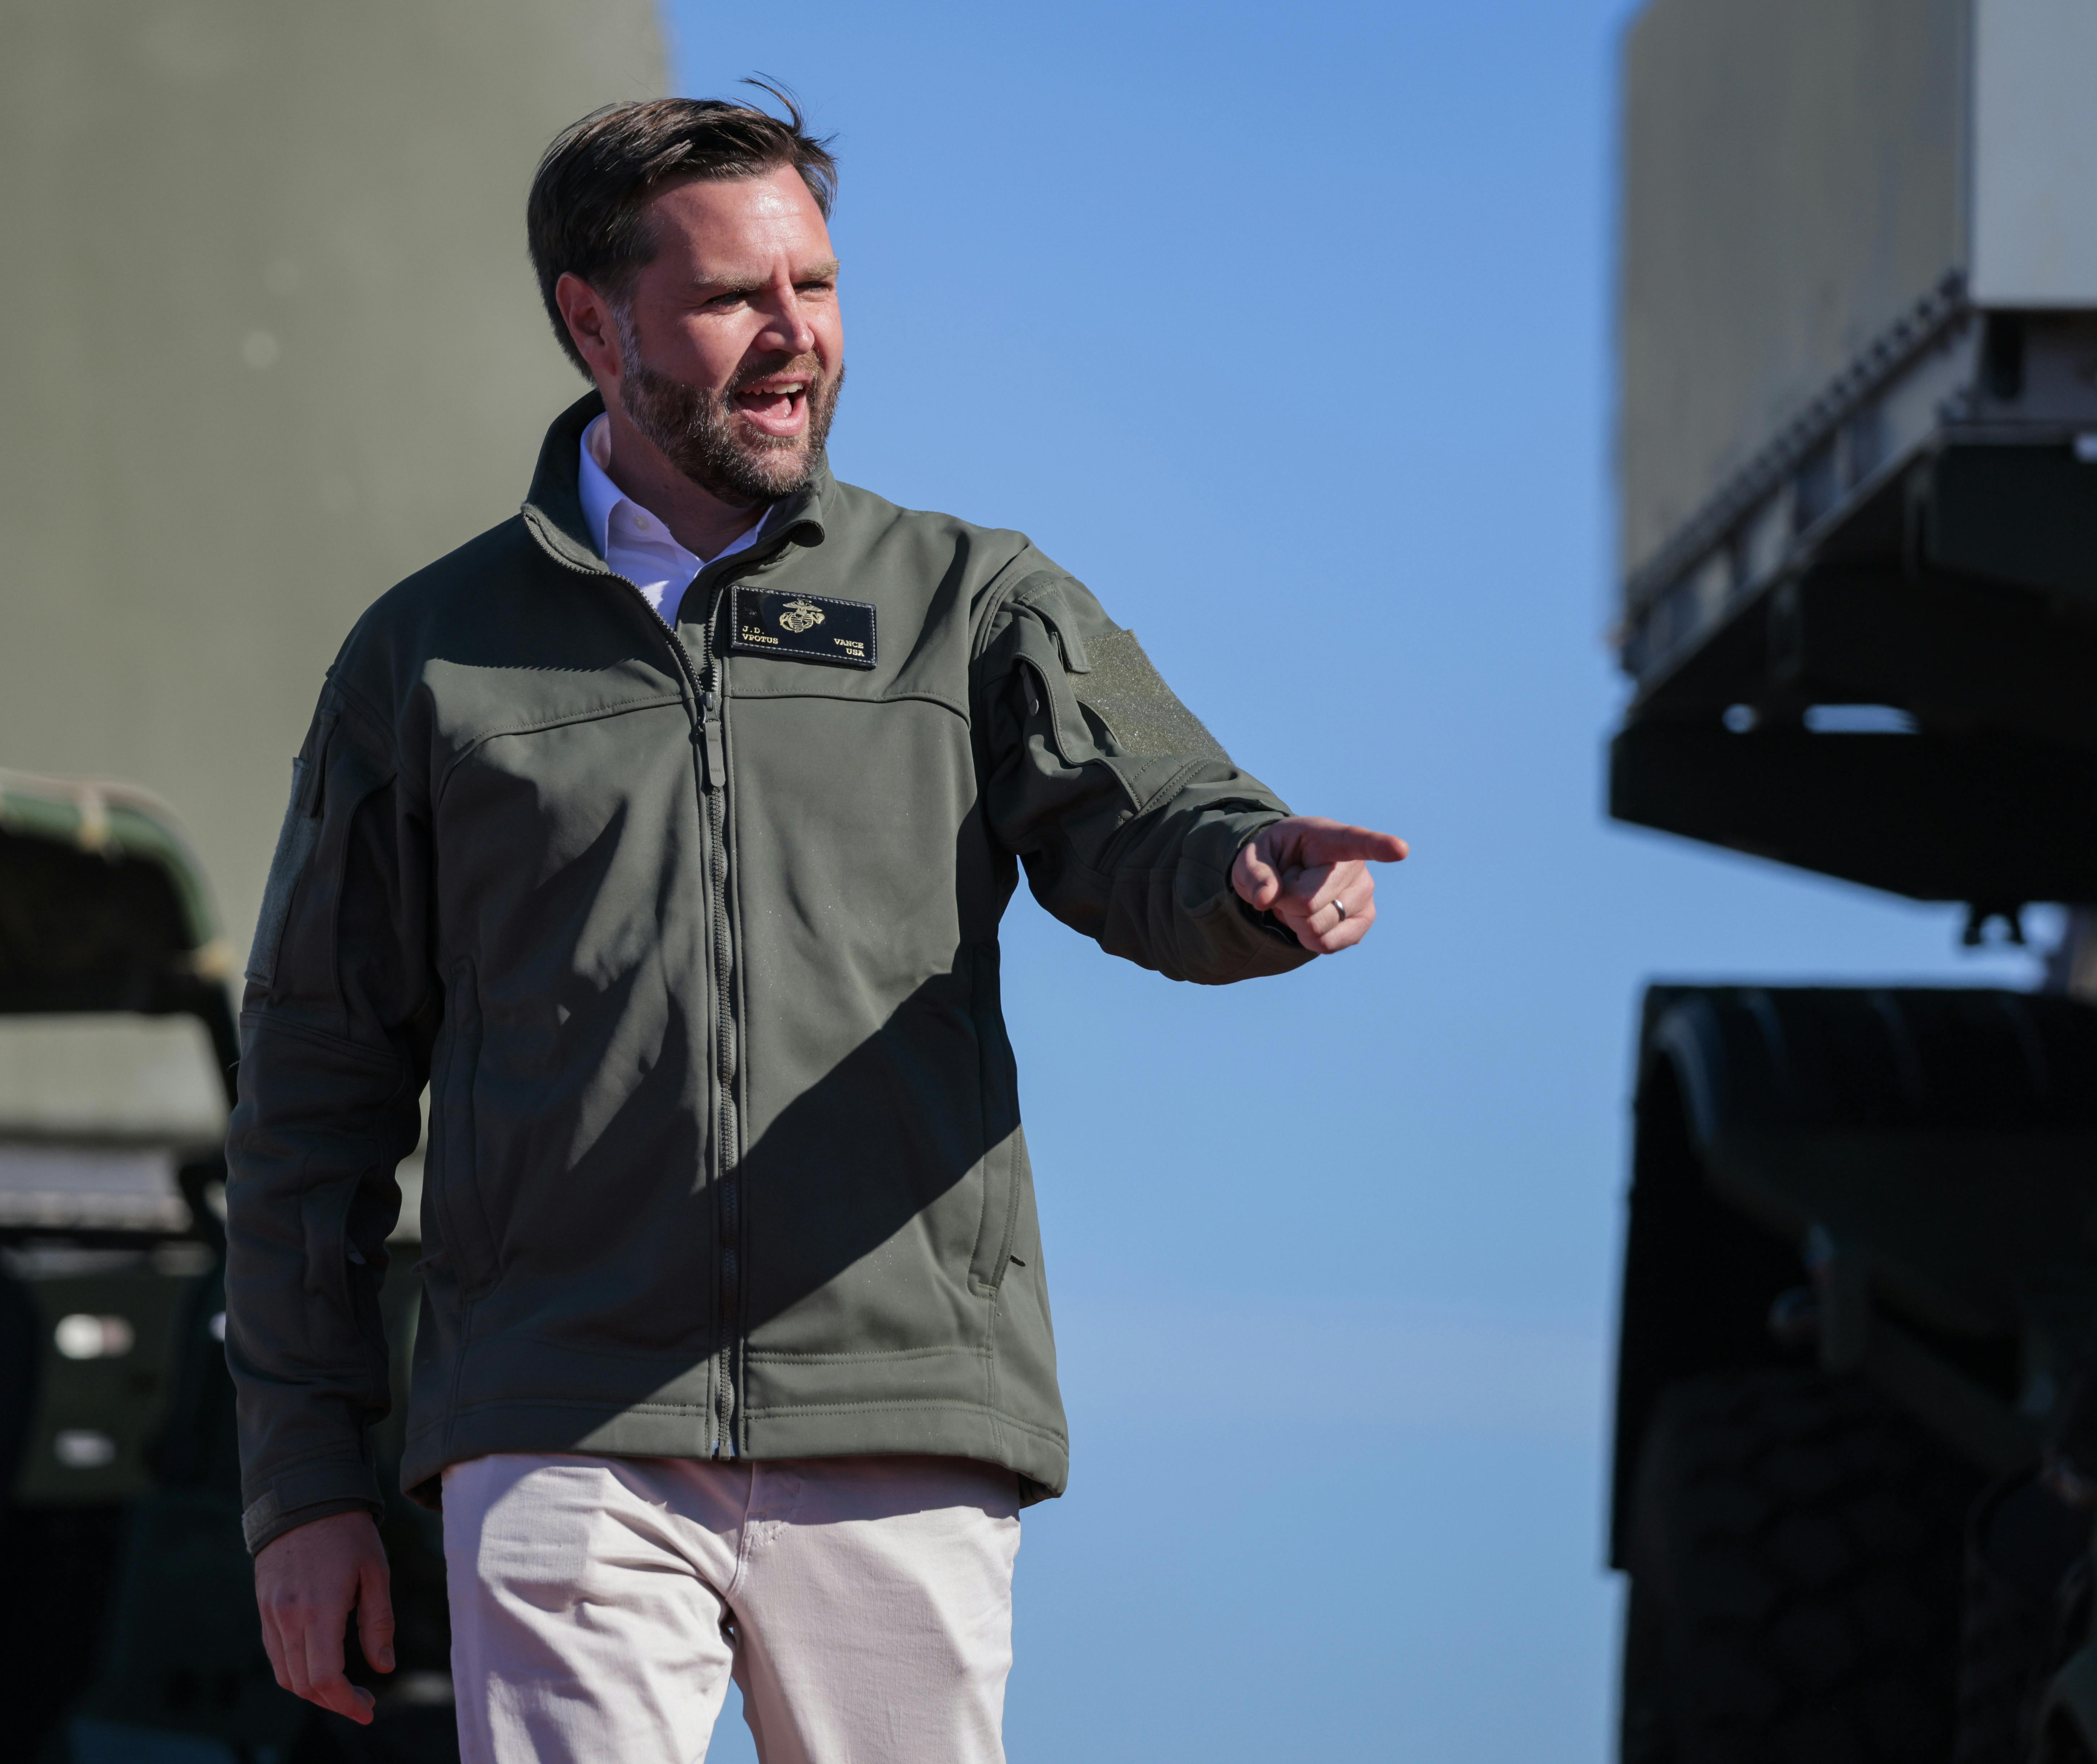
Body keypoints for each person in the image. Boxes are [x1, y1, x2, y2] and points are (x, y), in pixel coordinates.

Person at [225, 91, 1407, 1764]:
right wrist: (303, 1488)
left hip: (898, 1413)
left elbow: (1145, 818)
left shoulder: (967, 601)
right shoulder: (427, 660)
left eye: (819, 288)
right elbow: (308, 1096)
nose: (796, 342)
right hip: (558, 1422)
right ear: (590, 319)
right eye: (731, 300)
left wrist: (1248, 877)